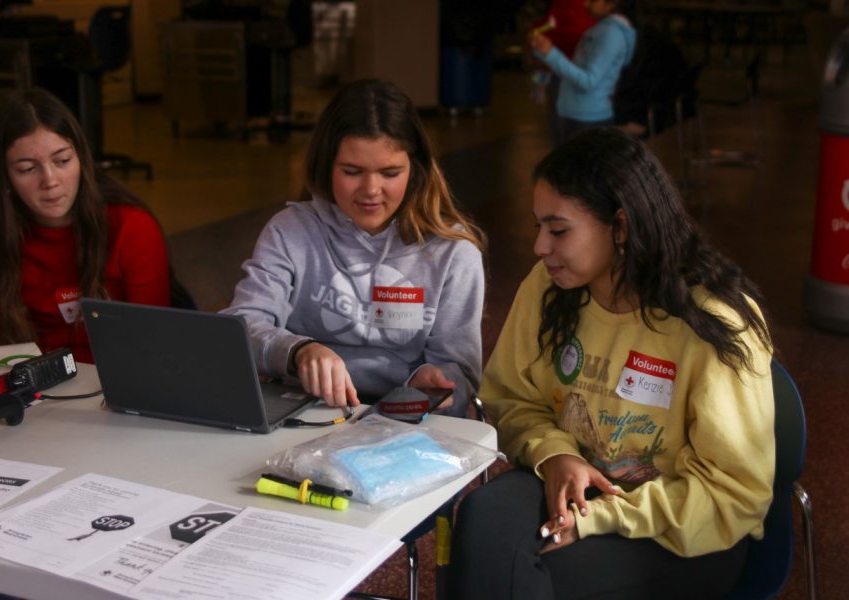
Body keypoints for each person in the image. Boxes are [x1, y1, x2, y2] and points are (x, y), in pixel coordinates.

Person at [449, 128, 775, 598]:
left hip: (682, 526)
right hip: (573, 486)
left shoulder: (713, 323)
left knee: (530, 577)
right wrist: (555, 454)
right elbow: (509, 398)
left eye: (558, 230)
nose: (540, 246)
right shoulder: (548, 288)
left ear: (620, 227)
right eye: (539, 226)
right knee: (482, 522)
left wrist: (601, 517)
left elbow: (734, 494)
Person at [223, 78, 486, 416]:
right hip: (303, 411)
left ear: (415, 171)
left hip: (406, 421)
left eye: (390, 173)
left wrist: (439, 380)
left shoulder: (453, 254)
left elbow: (462, 375)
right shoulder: (291, 230)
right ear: (325, 165)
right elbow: (241, 325)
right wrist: (298, 350)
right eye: (352, 171)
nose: (371, 189)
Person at [0, 88, 172, 363]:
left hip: (117, 386)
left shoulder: (131, 227)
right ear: (4, 178)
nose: (50, 181)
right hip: (30, 389)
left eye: (62, 161)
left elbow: (156, 346)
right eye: (27, 169)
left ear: (82, 159)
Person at [530, 0, 636, 143]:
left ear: (611, 3)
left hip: (588, 116)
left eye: (592, 0)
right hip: (578, 113)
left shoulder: (611, 34)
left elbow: (588, 81)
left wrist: (550, 54)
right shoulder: (600, 29)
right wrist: (544, 53)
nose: (585, 4)